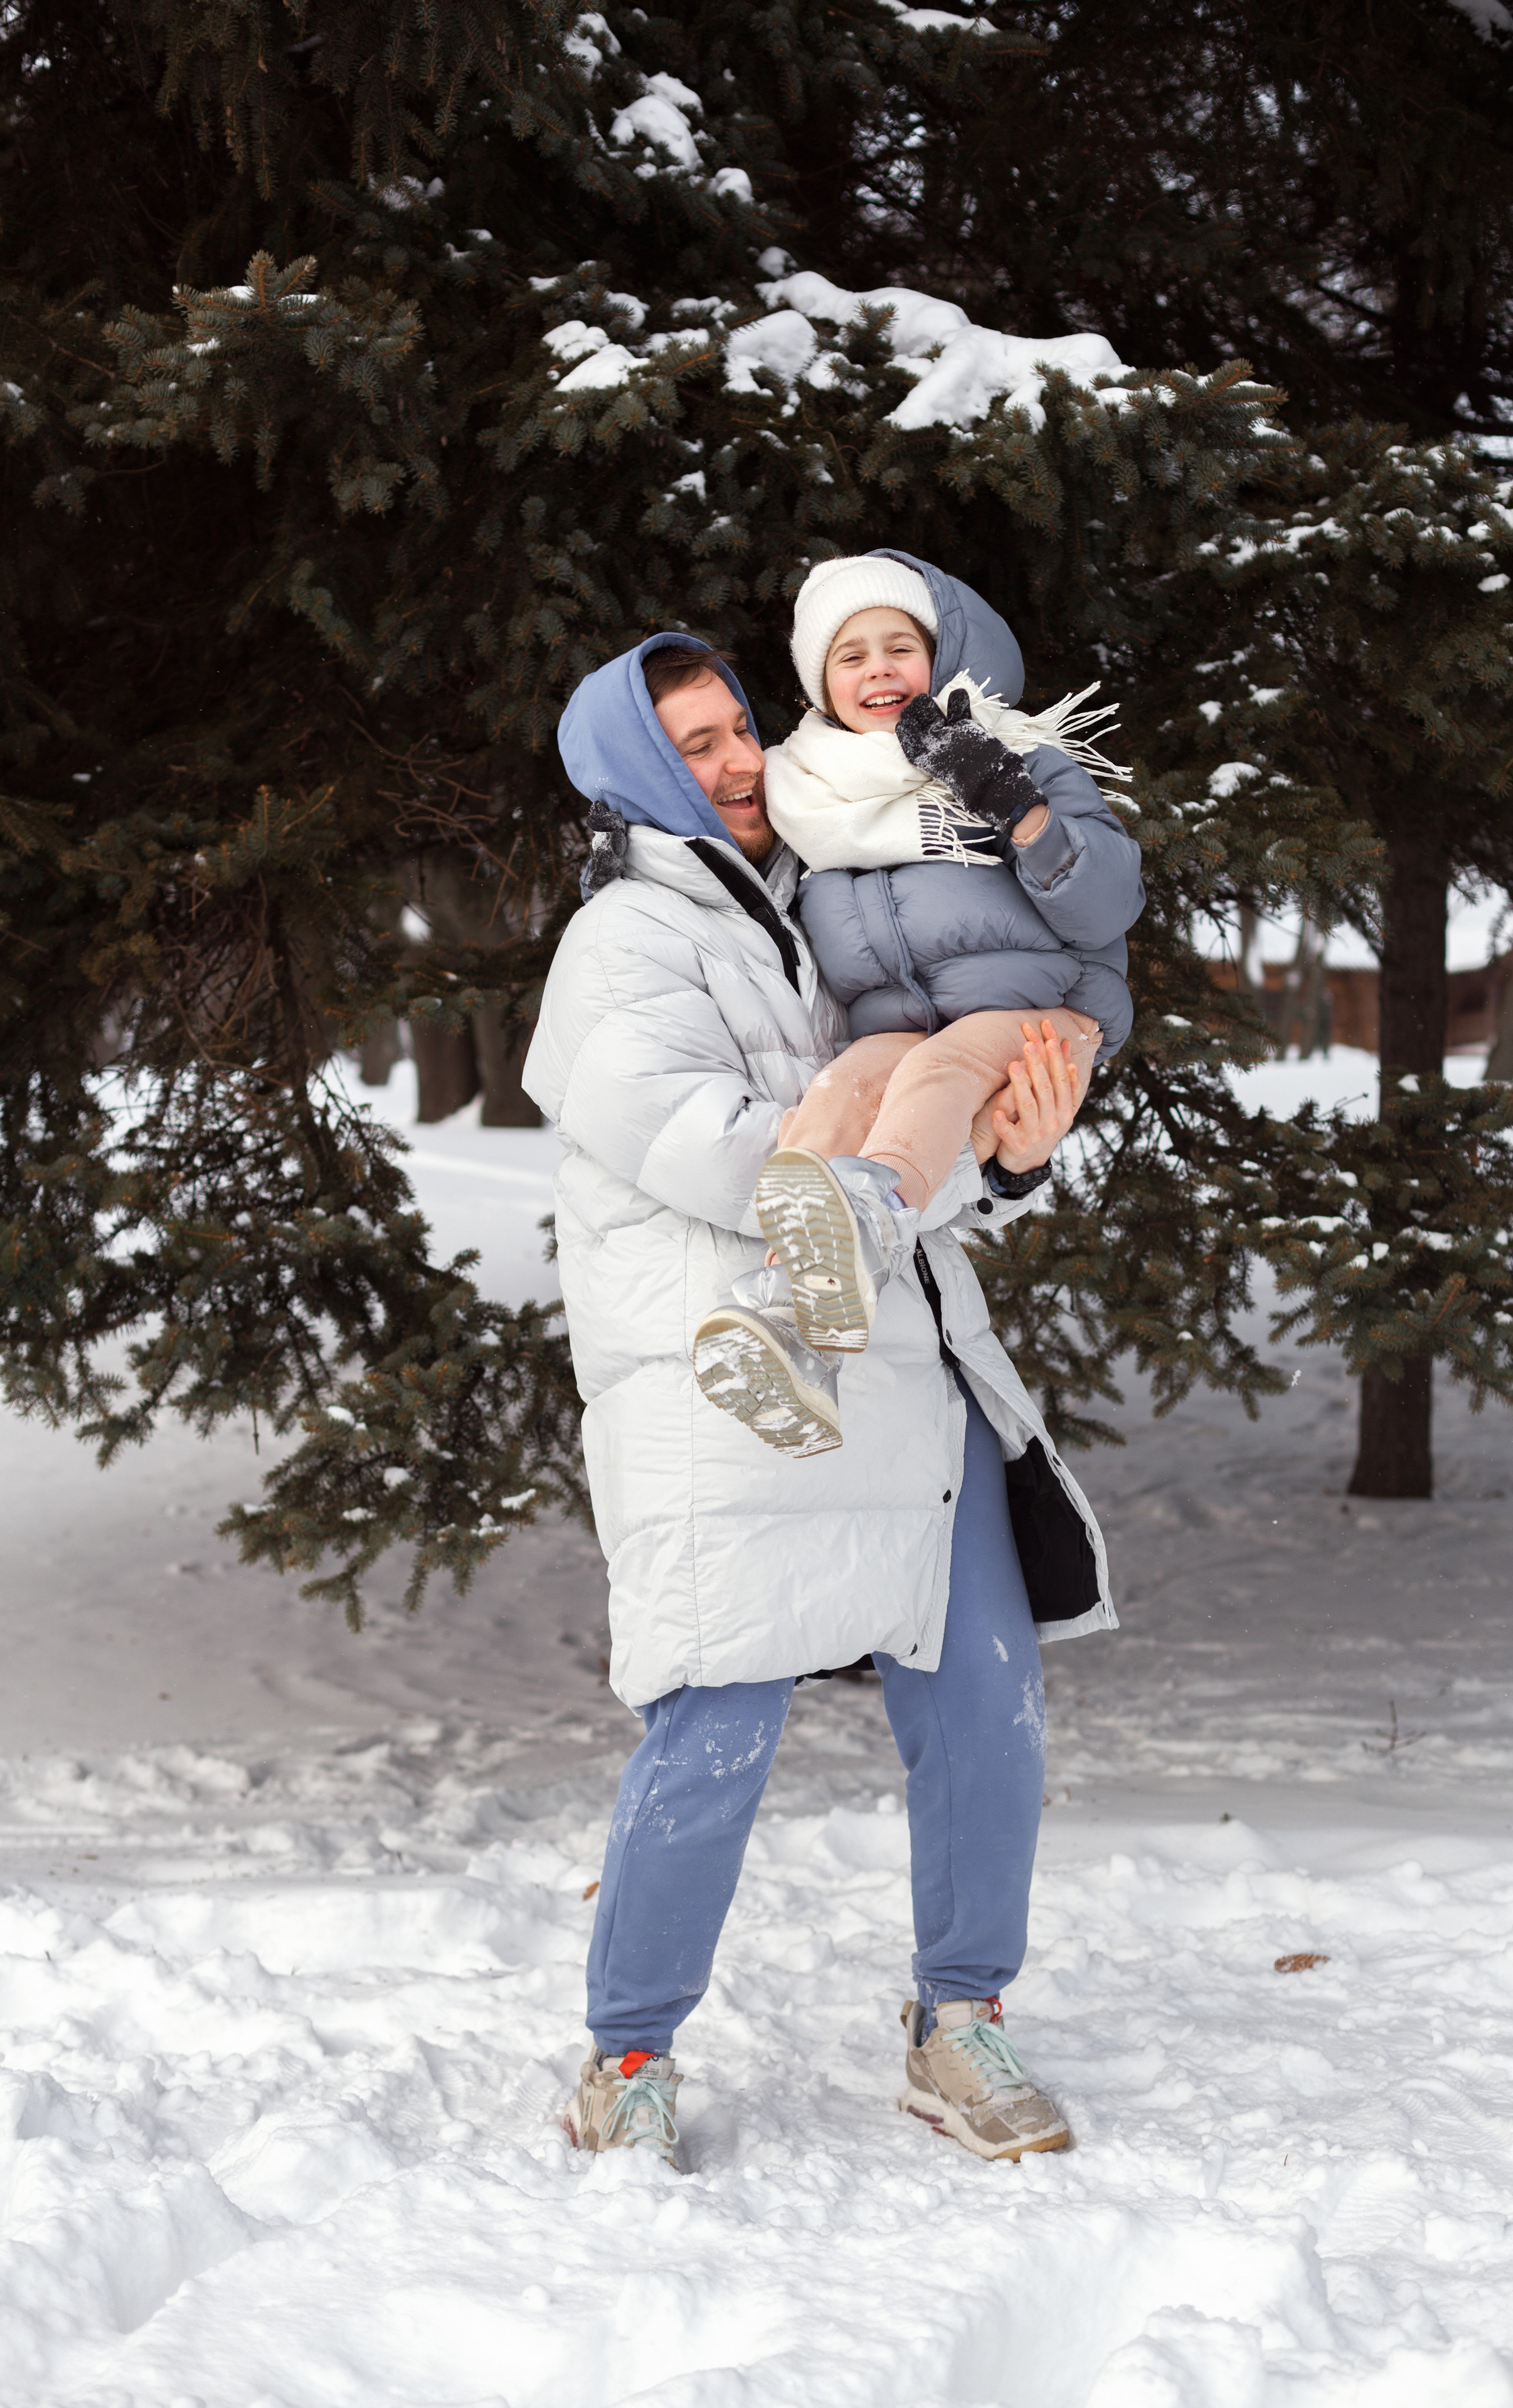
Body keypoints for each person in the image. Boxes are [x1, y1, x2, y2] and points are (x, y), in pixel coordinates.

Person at [523, 625, 1118, 2172]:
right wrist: (924, 1150)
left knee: (989, 1698)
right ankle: (630, 2053)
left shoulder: (822, 908)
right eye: (696, 748)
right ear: (632, 771)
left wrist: (1009, 1140)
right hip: (728, 1385)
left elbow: (920, 1148)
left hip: (909, 1377)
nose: (734, 768)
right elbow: (722, 1154)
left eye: (739, 734)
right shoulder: (622, 947)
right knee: (713, 1723)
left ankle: (960, 2021)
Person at [691, 551, 1144, 1457]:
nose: (879, 670)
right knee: (840, 1091)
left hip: (1042, 1014)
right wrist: (624, 841)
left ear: (943, 654)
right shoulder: (807, 791)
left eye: (901, 645)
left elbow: (1109, 902)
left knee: (934, 1069)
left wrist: (1013, 807)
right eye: (850, 655)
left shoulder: (1019, 756)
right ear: (821, 680)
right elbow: (719, 849)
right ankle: (795, 1322)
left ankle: (874, 1215)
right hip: (902, 1035)